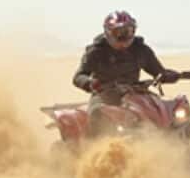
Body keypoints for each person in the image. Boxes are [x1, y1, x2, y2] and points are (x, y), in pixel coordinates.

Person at [72, 10, 182, 138]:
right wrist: (90, 83)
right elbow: (78, 76)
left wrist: (171, 75)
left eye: (128, 31)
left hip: (135, 93)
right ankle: (96, 151)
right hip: (105, 95)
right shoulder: (96, 52)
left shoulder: (141, 50)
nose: (124, 37)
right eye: (118, 33)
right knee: (97, 114)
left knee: (171, 110)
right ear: (108, 32)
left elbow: (158, 72)